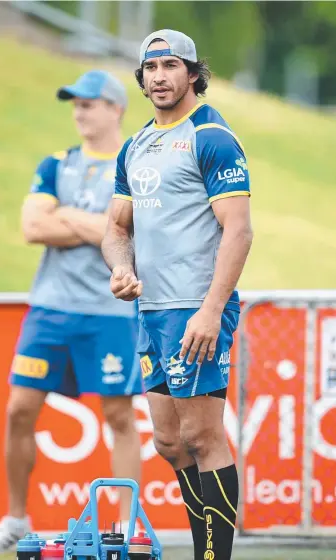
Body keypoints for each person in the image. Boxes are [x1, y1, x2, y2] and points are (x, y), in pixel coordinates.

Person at [0, 70, 142, 554]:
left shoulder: (134, 165)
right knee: (19, 410)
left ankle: (125, 528)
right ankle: (14, 519)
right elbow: (32, 227)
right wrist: (98, 226)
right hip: (49, 310)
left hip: (110, 311)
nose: (79, 112)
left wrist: (66, 215)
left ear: (115, 108)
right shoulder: (55, 163)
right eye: (74, 104)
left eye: (89, 103)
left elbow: (134, 234)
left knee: (119, 415)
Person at [102, 29, 253, 560]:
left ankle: (215, 556)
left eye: (171, 65)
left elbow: (238, 231)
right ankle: (202, 547)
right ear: (141, 79)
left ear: (193, 73)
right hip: (152, 310)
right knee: (168, 442)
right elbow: (116, 228)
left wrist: (211, 311)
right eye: (151, 68)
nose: (160, 76)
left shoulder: (212, 137)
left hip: (197, 307)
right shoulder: (136, 144)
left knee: (201, 434)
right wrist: (122, 271)